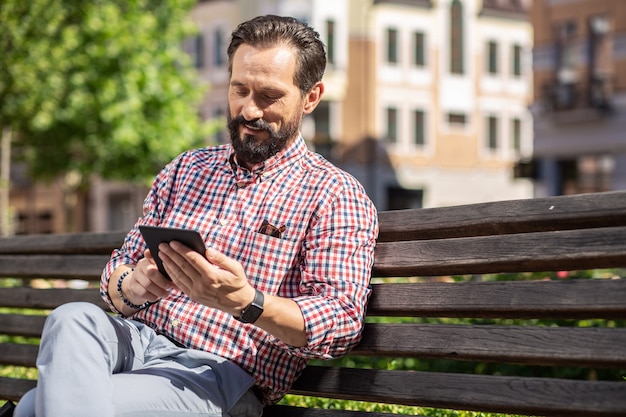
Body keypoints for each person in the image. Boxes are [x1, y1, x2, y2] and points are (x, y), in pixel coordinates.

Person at [14, 14, 378, 417]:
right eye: (239, 90)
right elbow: (114, 280)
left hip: (219, 372)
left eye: (269, 96)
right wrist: (134, 285)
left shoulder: (334, 193)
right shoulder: (186, 169)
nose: (249, 110)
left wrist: (247, 302)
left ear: (310, 97)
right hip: (136, 342)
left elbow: (341, 322)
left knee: (34, 407)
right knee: (71, 318)